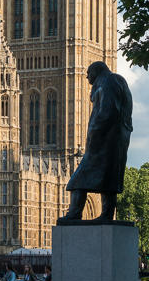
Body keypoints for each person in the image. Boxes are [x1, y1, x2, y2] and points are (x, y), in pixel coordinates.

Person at [57, 61, 133, 223]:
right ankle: (106, 214)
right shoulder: (115, 81)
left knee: (77, 181)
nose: (86, 77)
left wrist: (94, 135)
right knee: (109, 181)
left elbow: (107, 112)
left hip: (104, 141)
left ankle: (75, 214)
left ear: (97, 72)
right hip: (115, 140)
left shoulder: (108, 82)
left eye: (88, 73)